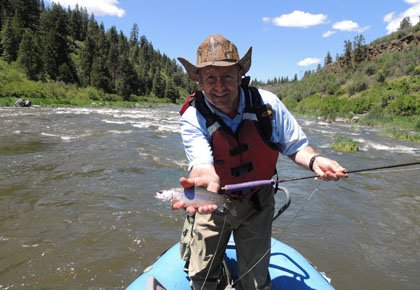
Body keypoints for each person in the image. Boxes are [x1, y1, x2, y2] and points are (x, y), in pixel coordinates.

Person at [173, 34, 347, 290]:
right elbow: (201, 162)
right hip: (212, 201)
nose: (219, 86)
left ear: (240, 76)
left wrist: (315, 161)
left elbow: (296, 146)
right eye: (211, 77)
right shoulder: (192, 116)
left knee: (255, 283)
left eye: (227, 77)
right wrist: (203, 175)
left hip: (257, 203)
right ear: (199, 80)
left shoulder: (268, 105)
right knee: (202, 279)